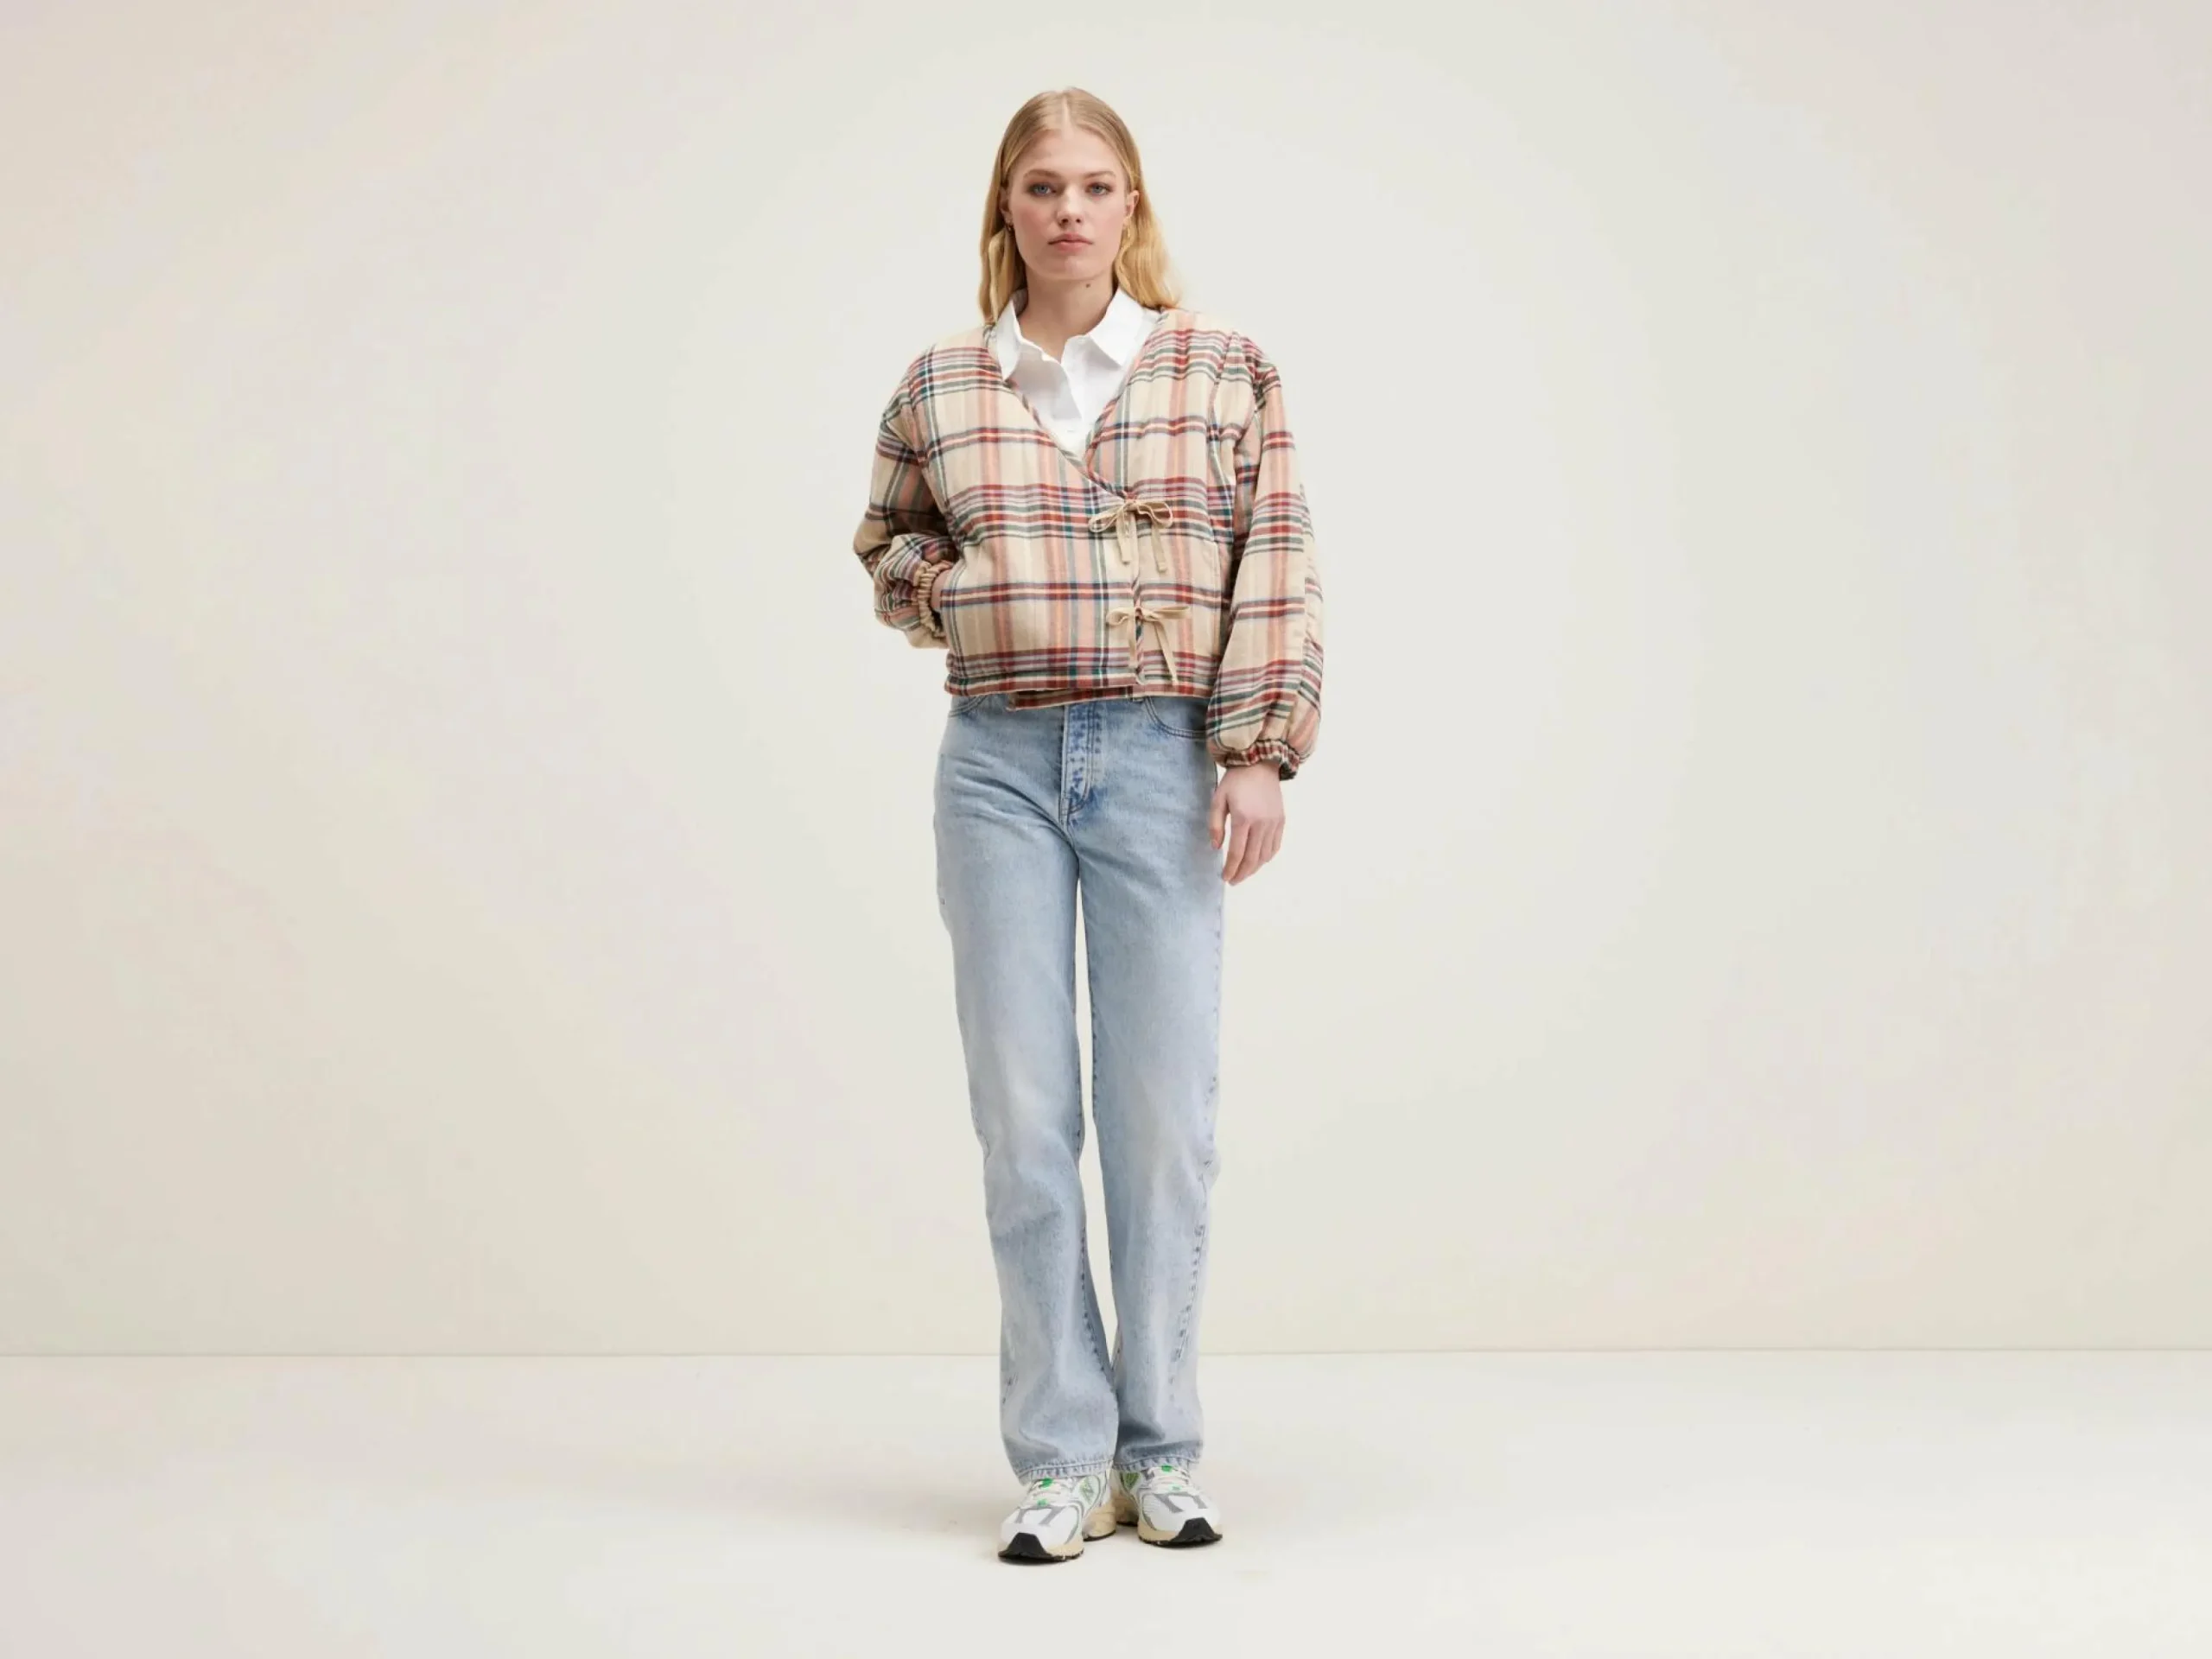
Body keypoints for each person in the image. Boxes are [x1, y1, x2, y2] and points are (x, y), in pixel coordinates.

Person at [850, 86, 1324, 1564]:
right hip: (995, 761)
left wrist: (1256, 753)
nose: (1070, 210)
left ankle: (1161, 1449)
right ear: (1008, 206)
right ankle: (1062, 1458)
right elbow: (887, 543)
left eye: (1097, 186)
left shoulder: (1222, 369)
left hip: (1164, 758)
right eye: (1044, 185)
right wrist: (963, 595)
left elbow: (1278, 557)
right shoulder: (943, 384)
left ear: (1132, 206)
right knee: (1024, 1117)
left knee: (1162, 1118)